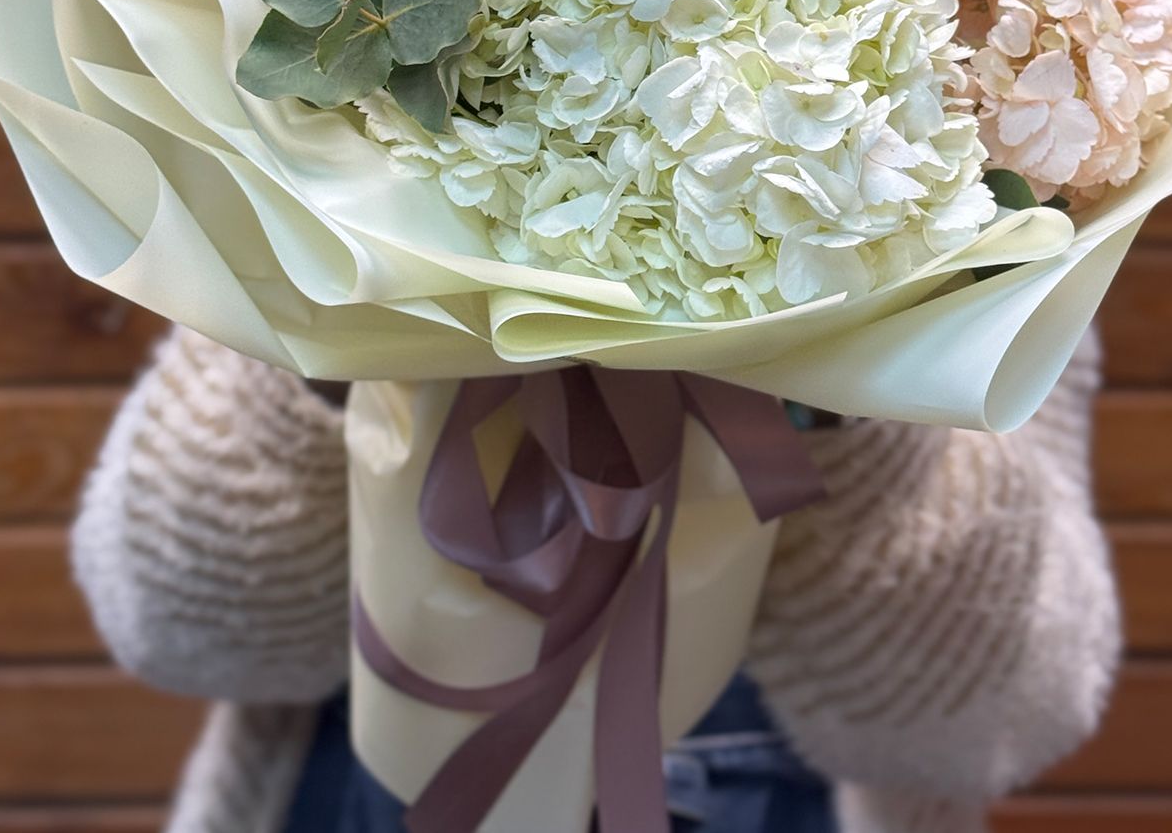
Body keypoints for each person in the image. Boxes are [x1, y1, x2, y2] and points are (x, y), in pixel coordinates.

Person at [72, 323, 1119, 833]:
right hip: (353, 779)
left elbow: (998, 723)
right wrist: (330, 334)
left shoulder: (984, 174)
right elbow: (173, 630)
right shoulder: (320, 108)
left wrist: (850, 379)